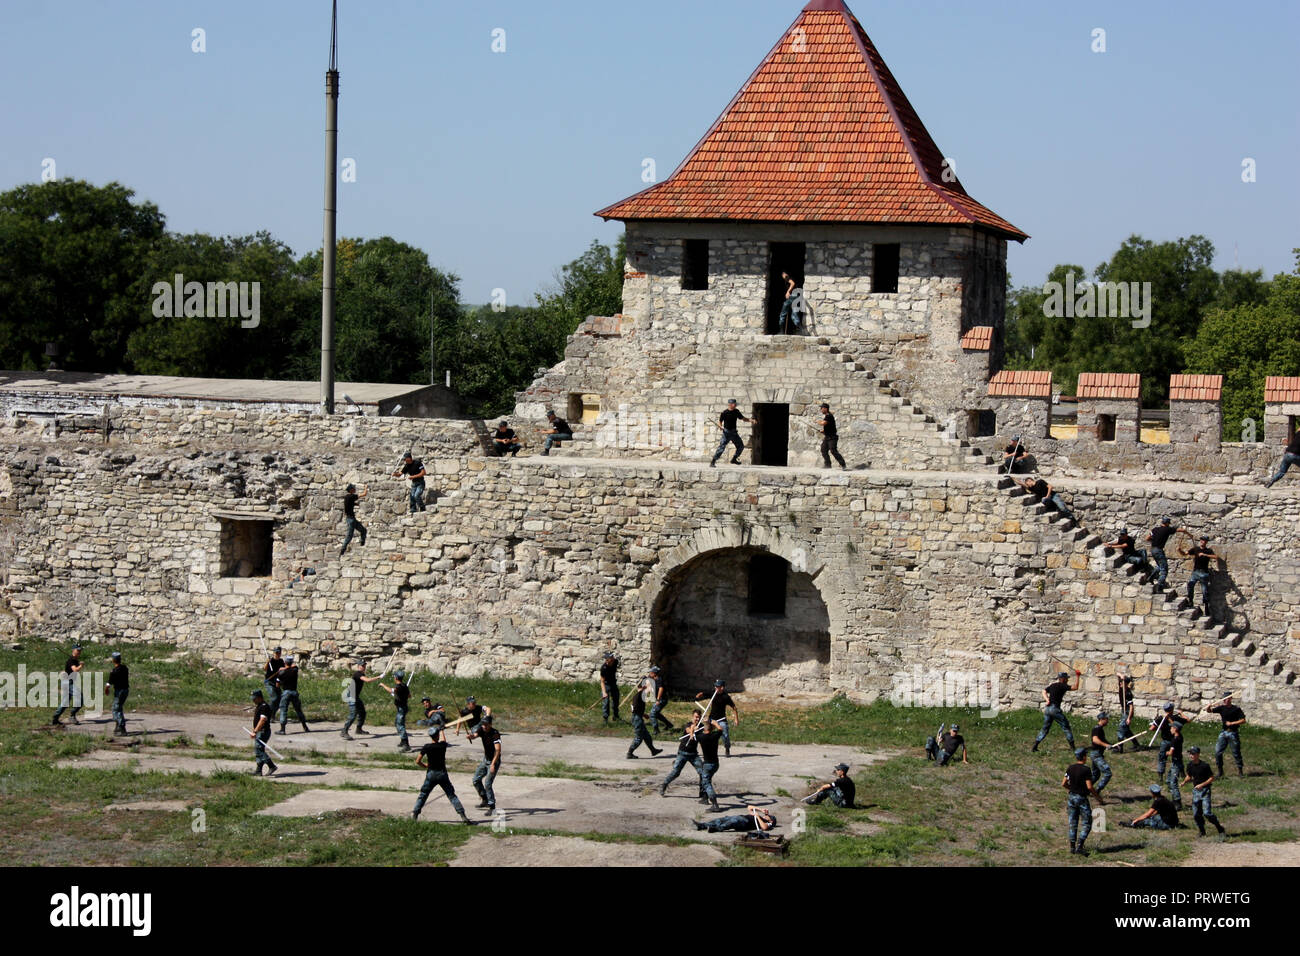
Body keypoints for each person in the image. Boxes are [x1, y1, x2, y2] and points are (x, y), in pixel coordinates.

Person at [412, 725, 474, 825]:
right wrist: (442, 730)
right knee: (451, 795)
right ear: (437, 736)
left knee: (423, 795)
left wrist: (425, 765)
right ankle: (463, 816)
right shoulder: (442, 746)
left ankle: (415, 815)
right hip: (442, 774)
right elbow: (444, 740)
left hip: (431, 774)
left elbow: (417, 761)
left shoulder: (426, 747)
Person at [1181, 746, 1226, 836]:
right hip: (1196, 792)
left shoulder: (1204, 766)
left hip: (1205, 791)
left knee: (1207, 813)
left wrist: (1202, 785)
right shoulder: (1190, 765)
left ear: (1198, 755)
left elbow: (1211, 778)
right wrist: (1184, 782)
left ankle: (1219, 827)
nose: (1191, 755)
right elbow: (1189, 776)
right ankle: (1202, 830)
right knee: (1196, 813)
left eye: (1193, 754)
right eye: (1190, 754)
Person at [1032, 670, 1079, 752]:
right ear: (1063, 679)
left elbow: (1043, 691)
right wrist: (1078, 676)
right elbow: (1075, 687)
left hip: (1048, 709)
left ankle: (1035, 746)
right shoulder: (1063, 686)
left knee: (1045, 729)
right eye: (1066, 679)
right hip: (1055, 709)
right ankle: (1073, 748)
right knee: (1066, 727)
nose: (1067, 680)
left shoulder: (1053, 685)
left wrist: (1047, 700)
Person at [659, 711, 703, 796]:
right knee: (676, 772)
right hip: (683, 752)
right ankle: (664, 785)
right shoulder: (688, 724)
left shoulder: (701, 727)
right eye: (695, 717)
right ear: (692, 717)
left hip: (693, 754)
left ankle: (703, 791)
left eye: (698, 717)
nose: (697, 719)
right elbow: (688, 730)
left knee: (702, 772)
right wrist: (692, 730)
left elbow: (704, 736)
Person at [1063, 747, 1097, 855]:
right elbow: (1089, 787)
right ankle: (1080, 846)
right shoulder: (1086, 769)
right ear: (1084, 757)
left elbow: (1063, 783)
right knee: (1087, 822)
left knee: (1073, 822)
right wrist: (1098, 797)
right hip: (1082, 798)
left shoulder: (1070, 768)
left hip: (1071, 798)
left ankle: (1072, 847)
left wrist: (1072, 789)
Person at [467, 714, 503, 814]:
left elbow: (498, 750)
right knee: (476, 780)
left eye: (486, 725)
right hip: (485, 760)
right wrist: (471, 736)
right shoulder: (482, 730)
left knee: (488, 783)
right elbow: (475, 735)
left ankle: (492, 806)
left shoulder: (495, 734)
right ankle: (484, 799)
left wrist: (492, 765)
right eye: (483, 724)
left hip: (494, 761)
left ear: (490, 724)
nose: (484, 726)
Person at [1206, 692, 1246, 777]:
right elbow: (1209, 711)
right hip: (1223, 732)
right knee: (1218, 752)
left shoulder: (1236, 709)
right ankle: (1220, 772)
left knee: (1236, 752)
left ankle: (1240, 771)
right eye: (1224, 699)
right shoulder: (1221, 708)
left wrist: (1232, 723)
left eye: (1227, 698)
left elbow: (1243, 720)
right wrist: (1208, 707)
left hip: (1233, 733)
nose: (1226, 700)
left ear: (1230, 699)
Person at [1150, 702, 1193, 781]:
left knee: (1162, 758)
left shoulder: (1161, 718)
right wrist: (1181, 713)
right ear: (1172, 709)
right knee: (1178, 758)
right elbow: (1188, 720)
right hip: (1176, 741)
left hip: (1167, 741)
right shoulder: (1176, 718)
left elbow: (1152, 728)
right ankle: (1182, 774)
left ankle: (1161, 776)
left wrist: (1161, 725)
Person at [695, 679, 739, 756]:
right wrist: (699, 695)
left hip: (721, 719)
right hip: (711, 718)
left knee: (725, 735)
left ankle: (727, 748)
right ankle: (701, 749)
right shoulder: (713, 693)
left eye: (717, 686)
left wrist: (736, 719)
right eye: (715, 686)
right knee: (703, 732)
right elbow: (704, 693)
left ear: (722, 688)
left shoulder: (726, 697)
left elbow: (734, 708)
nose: (715, 687)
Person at [1178, 536, 1218, 617]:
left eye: (1205, 541)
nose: (1203, 542)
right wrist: (1179, 551)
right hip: (1196, 572)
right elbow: (1185, 554)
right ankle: (1190, 601)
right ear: (1200, 541)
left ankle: (1206, 607)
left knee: (1205, 591)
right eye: (1202, 540)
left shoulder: (1208, 550)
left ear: (1206, 542)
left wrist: (1205, 554)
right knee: (1190, 585)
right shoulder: (1195, 549)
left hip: (1204, 573)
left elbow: (1216, 557)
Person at [340, 660, 379, 740]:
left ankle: (359, 729)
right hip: (351, 696)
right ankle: (344, 731)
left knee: (362, 712)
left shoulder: (361, 674)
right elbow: (367, 680)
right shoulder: (357, 674)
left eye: (364, 665)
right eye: (362, 666)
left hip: (355, 696)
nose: (364, 667)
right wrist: (379, 677)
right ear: (358, 666)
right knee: (353, 714)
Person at [626, 680, 663, 759]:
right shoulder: (639, 695)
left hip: (638, 717)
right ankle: (629, 753)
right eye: (648, 687)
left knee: (647, 736)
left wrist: (643, 714)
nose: (650, 688)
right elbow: (634, 709)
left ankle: (653, 750)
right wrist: (641, 715)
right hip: (637, 719)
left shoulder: (640, 695)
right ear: (643, 687)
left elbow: (635, 708)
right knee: (639, 738)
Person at [273, 655, 309, 734]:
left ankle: (282, 729)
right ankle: (305, 726)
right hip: (294, 692)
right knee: (298, 710)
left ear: (285, 662)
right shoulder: (295, 670)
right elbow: (294, 666)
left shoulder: (281, 673)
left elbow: (277, 685)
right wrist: (286, 667)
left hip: (286, 692)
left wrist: (281, 670)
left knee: (283, 710)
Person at [709, 400, 750, 468]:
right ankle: (713, 462)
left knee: (741, 446)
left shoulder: (736, 411)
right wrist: (720, 426)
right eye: (734, 404)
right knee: (721, 447)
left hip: (734, 433)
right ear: (730, 404)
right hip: (726, 433)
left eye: (735, 404)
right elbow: (720, 421)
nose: (735, 405)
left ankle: (734, 459)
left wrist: (750, 420)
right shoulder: (724, 413)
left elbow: (743, 418)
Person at [694, 718, 724, 812]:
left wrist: (694, 729)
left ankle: (715, 805)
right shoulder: (715, 735)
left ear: (704, 729)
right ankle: (705, 799)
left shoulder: (701, 737)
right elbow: (721, 730)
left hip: (708, 764)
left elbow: (695, 734)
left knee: (706, 782)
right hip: (715, 764)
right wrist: (715, 723)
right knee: (707, 780)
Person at [1145, 517, 1182, 589]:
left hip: (1153, 549)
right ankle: (1159, 586)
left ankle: (1150, 578)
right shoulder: (1167, 529)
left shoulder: (1155, 529)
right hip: (1159, 550)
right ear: (1167, 523)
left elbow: (1147, 538)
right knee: (1164, 570)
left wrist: (1155, 540)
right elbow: (1180, 530)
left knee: (1159, 566)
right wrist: (1188, 533)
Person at [51, 645, 85, 725]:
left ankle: (55, 718)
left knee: (65, 702)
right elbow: (75, 670)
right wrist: (81, 665)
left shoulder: (74, 660)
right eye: (77, 650)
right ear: (73, 650)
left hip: (67, 682)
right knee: (80, 698)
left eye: (80, 650)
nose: (79, 652)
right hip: (68, 683)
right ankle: (72, 715)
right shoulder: (71, 661)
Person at [379, 670, 412, 752]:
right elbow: (409, 696)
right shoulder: (404, 686)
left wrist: (383, 685)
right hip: (402, 708)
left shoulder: (399, 687)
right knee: (397, 723)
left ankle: (406, 744)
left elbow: (391, 690)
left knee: (400, 725)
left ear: (396, 678)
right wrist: (400, 695)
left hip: (401, 708)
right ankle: (402, 740)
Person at [248, 690, 277, 776]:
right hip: (259, 731)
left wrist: (256, 731)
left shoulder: (264, 706)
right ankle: (258, 770)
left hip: (263, 732)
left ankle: (271, 766)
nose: (253, 700)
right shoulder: (259, 706)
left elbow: (263, 720)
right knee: (259, 750)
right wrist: (254, 730)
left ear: (260, 698)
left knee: (259, 750)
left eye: (255, 698)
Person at [694, 806, 776, 834]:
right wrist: (760, 809)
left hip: (745, 822)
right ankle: (702, 826)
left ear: (771, 821)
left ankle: (715, 829)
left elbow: (764, 827)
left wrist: (758, 816)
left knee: (729, 824)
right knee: (720, 820)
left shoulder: (768, 824)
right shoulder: (760, 816)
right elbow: (749, 807)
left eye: (768, 816)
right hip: (740, 817)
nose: (766, 815)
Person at [1088, 713, 1112, 803]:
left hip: (1097, 754)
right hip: (1096, 755)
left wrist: (1112, 746)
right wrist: (1106, 745)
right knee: (1107, 773)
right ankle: (1096, 791)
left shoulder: (1100, 729)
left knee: (1095, 775)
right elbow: (1095, 740)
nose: (1108, 721)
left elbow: (1103, 741)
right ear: (1102, 719)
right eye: (1106, 719)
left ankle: (1086, 789)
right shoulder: (1097, 729)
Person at [817, 403, 847, 469]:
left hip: (832, 438)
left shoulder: (829, 416)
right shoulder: (827, 416)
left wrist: (818, 422)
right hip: (827, 437)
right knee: (823, 449)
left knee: (833, 451)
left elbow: (823, 423)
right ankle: (828, 465)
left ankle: (843, 465)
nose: (821, 410)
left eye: (821, 408)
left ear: (825, 409)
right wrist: (824, 431)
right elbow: (830, 427)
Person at [340, 483, 367, 556]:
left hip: (351, 519)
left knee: (363, 530)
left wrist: (355, 504)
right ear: (351, 490)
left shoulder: (347, 497)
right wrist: (366, 487)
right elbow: (364, 494)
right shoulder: (352, 496)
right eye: (354, 489)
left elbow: (348, 503)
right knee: (349, 536)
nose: (355, 490)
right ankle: (343, 548)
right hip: (351, 520)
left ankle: (362, 543)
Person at [106, 651, 129, 736]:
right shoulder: (125, 668)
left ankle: (121, 727)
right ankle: (117, 726)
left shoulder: (114, 671)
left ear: (113, 660)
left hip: (119, 691)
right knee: (119, 707)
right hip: (126, 690)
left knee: (116, 709)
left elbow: (109, 683)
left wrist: (106, 689)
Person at [648, 665, 674, 733]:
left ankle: (656, 729)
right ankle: (669, 724)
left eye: (650, 672)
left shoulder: (659, 679)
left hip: (662, 699)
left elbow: (661, 689)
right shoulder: (654, 679)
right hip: (660, 699)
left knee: (652, 714)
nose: (649, 673)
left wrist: (658, 699)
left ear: (654, 673)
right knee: (656, 714)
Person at [1114, 675, 1135, 753]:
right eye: (1120, 682)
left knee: (1121, 728)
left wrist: (1129, 718)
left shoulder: (1128, 693)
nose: (1120, 684)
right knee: (1126, 730)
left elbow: (1131, 707)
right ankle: (1136, 744)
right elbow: (1118, 674)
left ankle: (1120, 747)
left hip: (1127, 711)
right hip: (1123, 710)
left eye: (1122, 683)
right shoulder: (1121, 688)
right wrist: (1121, 676)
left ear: (1126, 684)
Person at [598, 652, 621, 724]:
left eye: (612, 658)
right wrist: (604, 692)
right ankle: (605, 718)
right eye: (610, 659)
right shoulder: (604, 668)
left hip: (613, 683)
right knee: (606, 701)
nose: (612, 659)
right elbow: (602, 681)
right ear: (607, 660)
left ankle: (616, 716)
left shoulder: (615, 662)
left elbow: (616, 660)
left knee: (616, 699)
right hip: (606, 684)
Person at [262, 646, 285, 716]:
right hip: (269, 682)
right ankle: (267, 713)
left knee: (280, 699)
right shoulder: (270, 661)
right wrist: (267, 662)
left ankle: (272, 714)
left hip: (277, 683)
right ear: (274, 653)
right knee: (274, 698)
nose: (277, 654)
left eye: (279, 653)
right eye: (276, 653)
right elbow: (265, 669)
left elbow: (283, 671)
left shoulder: (281, 661)